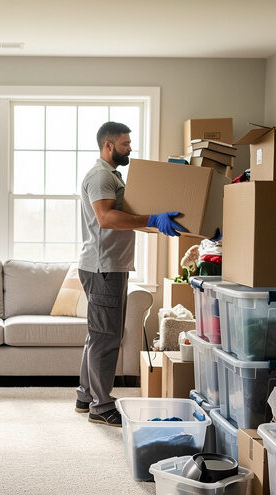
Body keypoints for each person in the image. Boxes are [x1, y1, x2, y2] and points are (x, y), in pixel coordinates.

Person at [76, 122, 185, 426]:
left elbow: (123, 216)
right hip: (104, 267)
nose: (130, 148)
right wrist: (150, 218)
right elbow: (106, 217)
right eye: (125, 143)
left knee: (99, 334)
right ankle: (101, 406)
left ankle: (86, 396)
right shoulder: (100, 176)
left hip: (108, 265)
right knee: (106, 336)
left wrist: (155, 222)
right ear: (108, 145)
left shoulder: (112, 176)